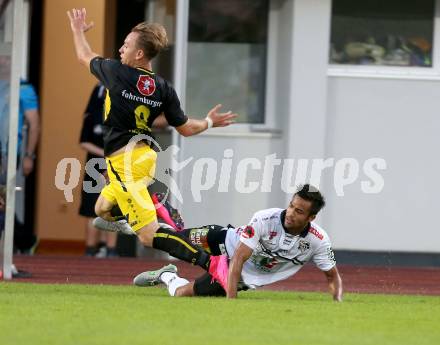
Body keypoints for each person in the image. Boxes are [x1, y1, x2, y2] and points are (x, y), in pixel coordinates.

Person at [67, 8, 236, 287]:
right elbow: (184, 128)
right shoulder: (163, 87)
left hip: (126, 164)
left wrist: (76, 31)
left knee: (148, 235)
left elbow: (83, 56)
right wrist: (208, 121)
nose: (121, 49)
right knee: (101, 210)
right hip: (142, 157)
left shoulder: (117, 73)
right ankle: (149, 206)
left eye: (127, 45)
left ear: (139, 55)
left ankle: (210, 261)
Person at [133, 185, 343, 301]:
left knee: (182, 294)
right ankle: (145, 223)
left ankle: (167, 275)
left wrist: (337, 301)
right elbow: (240, 257)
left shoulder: (319, 241)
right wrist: (231, 301)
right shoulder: (265, 218)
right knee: (170, 240)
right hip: (225, 239)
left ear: (311, 218)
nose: (290, 213)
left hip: (239, 276)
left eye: (299, 211)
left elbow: (332, 276)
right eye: (291, 206)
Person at [78, 83, 118, 257]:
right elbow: (83, 141)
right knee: (91, 208)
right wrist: (104, 154)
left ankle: (110, 249)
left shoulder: (120, 118)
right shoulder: (91, 117)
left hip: (116, 164)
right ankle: (90, 248)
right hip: (95, 165)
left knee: (113, 207)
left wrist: (113, 158)